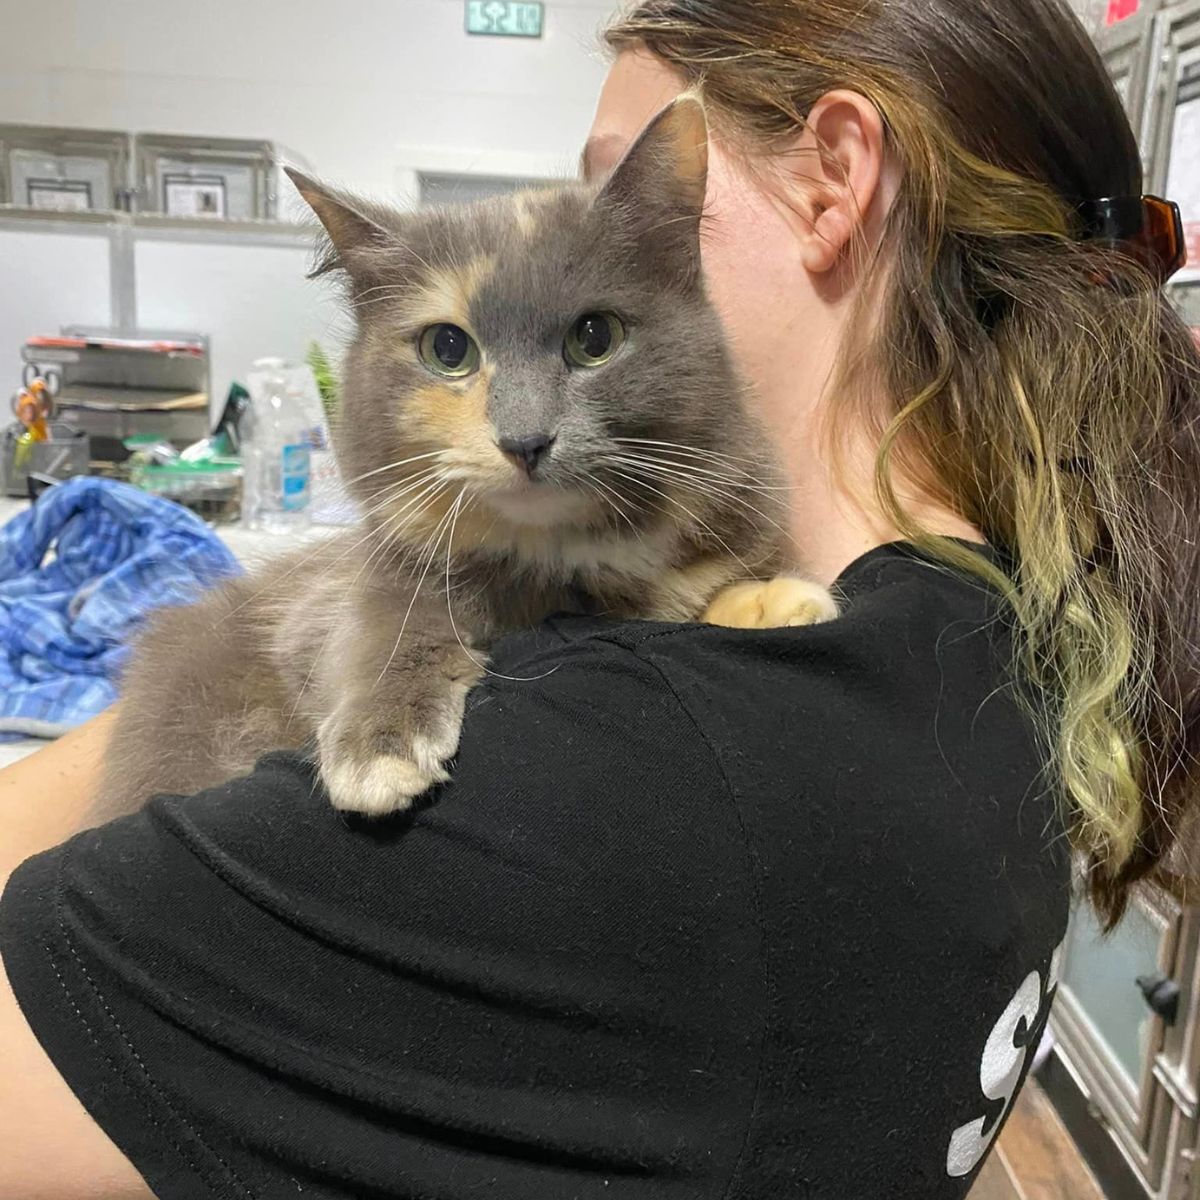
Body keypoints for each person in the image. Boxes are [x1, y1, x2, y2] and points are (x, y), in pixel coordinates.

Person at [2, 0, 1198, 1195]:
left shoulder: (603, 771)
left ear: (836, 179)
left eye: (627, 185)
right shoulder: (1009, 640)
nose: (599, 223)